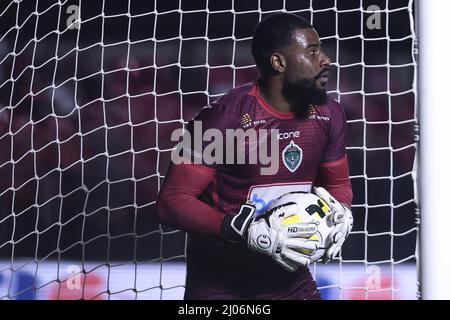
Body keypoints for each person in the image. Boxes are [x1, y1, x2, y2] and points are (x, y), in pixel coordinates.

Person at [156, 12, 353, 300]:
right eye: (312, 52)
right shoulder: (223, 119)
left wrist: (342, 212)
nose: (325, 59)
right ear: (278, 62)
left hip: (292, 287)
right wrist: (239, 230)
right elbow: (170, 202)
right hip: (222, 290)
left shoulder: (328, 115)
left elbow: (338, 187)